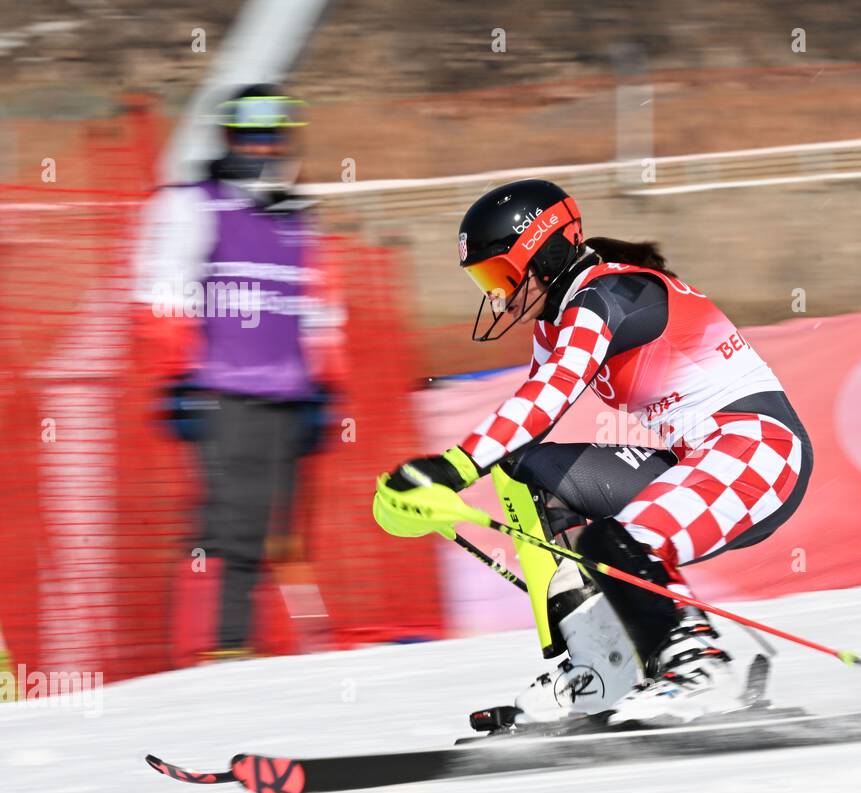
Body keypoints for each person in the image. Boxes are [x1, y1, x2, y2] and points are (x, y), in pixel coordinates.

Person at [378, 179, 812, 721]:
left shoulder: (607, 295)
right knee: (525, 469)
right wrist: (434, 494)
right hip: (697, 458)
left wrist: (450, 468)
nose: (497, 295)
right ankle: (596, 668)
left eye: (501, 275)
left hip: (761, 450)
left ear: (546, 252)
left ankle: (698, 667)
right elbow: (525, 431)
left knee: (617, 539)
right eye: (485, 280)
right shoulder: (557, 319)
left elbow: (548, 394)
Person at [134, 84, 342, 660]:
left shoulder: (296, 218)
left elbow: (319, 305)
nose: (260, 148)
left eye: (271, 135)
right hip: (224, 390)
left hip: (289, 394)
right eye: (248, 136)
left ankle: (278, 654)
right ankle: (216, 658)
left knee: (284, 534)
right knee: (231, 528)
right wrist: (181, 377)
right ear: (229, 138)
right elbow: (161, 289)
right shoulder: (194, 203)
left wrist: (323, 383)